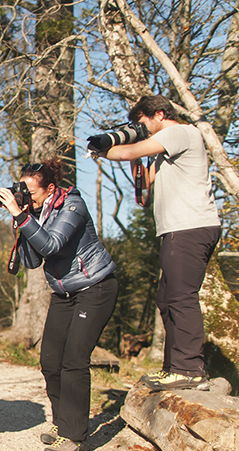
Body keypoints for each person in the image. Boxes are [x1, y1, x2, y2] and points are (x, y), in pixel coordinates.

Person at [94, 95, 221, 389]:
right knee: (167, 299)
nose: (142, 130)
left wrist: (105, 149)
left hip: (190, 226)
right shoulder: (166, 149)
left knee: (181, 298)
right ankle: (174, 367)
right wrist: (129, 156)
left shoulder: (179, 132)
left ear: (159, 114)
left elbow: (129, 152)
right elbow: (146, 186)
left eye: (142, 123)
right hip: (179, 229)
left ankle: (190, 370)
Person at [0, 159, 118, 451]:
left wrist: (20, 216)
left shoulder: (72, 205)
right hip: (64, 293)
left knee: (74, 360)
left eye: (31, 192)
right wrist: (23, 220)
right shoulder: (37, 212)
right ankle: (62, 423)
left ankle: (75, 436)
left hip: (95, 287)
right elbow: (32, 262)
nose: (27, 197)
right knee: (50, 360)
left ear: (51, 188)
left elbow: (52, 246)